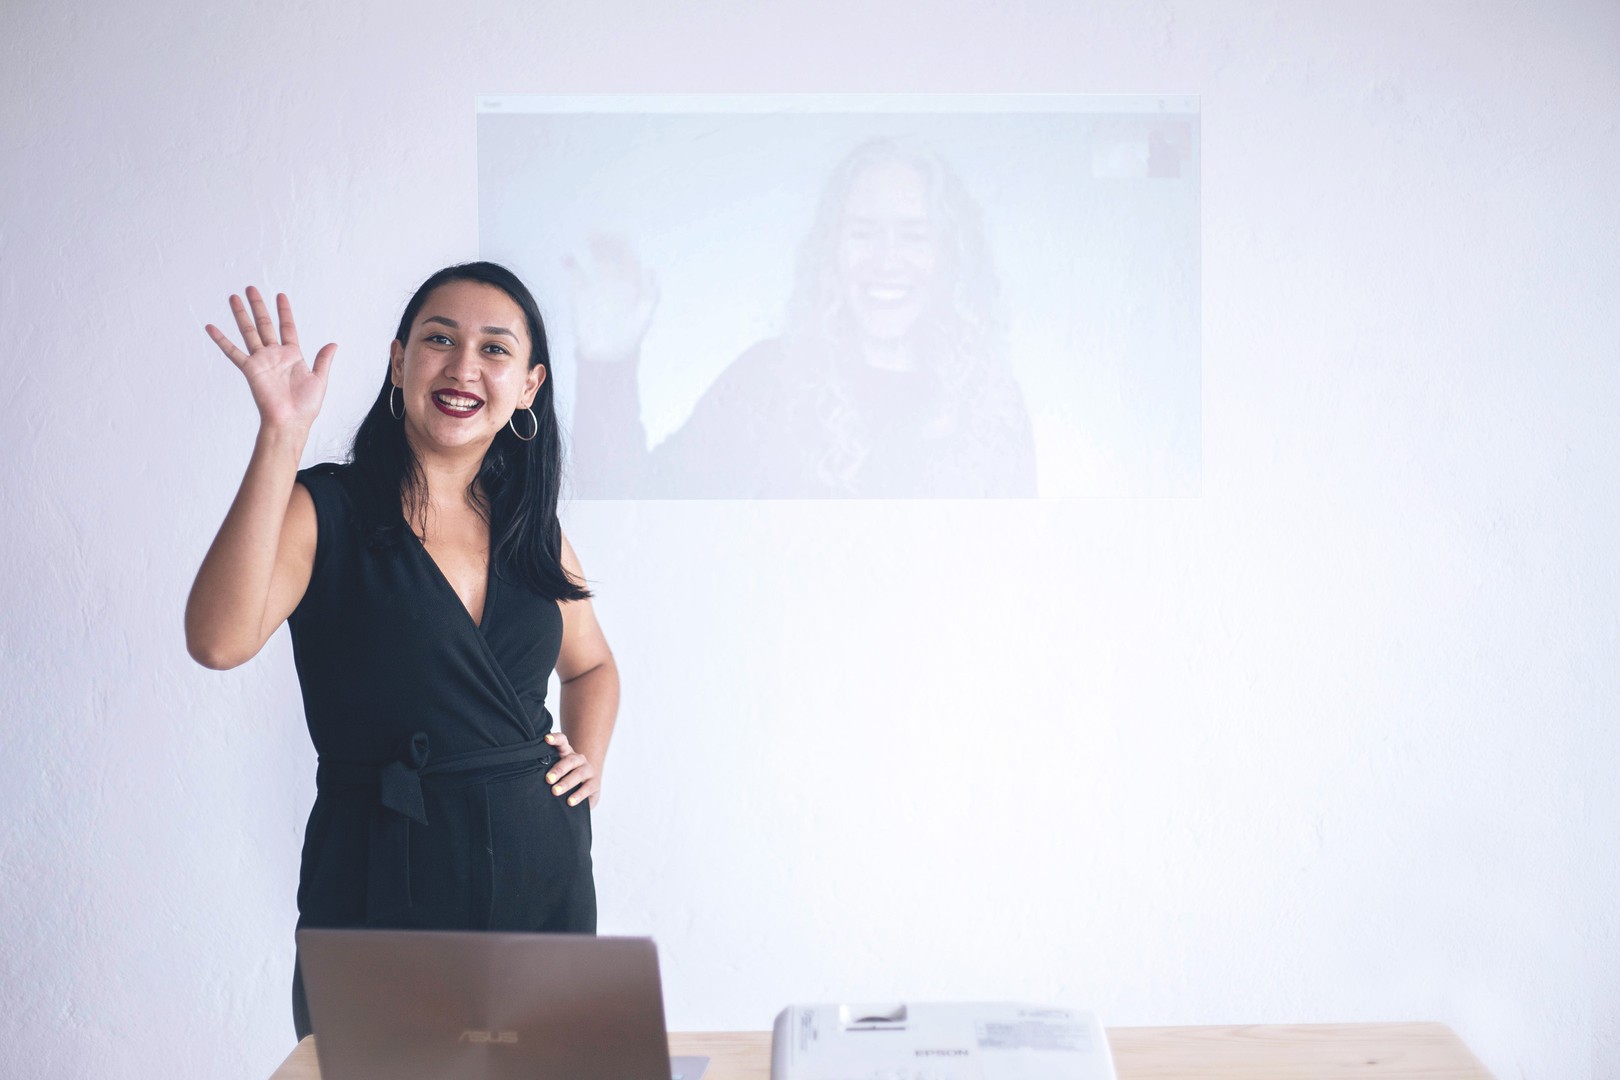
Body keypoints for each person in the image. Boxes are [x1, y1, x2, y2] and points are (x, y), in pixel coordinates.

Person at [184, 263, 618, 1040]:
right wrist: (281, 436)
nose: (462, 367)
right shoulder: (327, 508)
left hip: (542, 883)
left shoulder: (534, 532)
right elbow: (217, 641)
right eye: (439, 340)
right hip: (382, 881)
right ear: (398, 362)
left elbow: (591, 665)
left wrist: (587, 758)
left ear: (528, 387)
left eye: (494, 350)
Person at [568, 135, 1038, 499]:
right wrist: (609, 360)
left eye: (914, 236)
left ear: (949, 257)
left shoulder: (990, 404)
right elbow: (636, 508)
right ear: (831, 250)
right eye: (863, 233)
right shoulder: (767, 382)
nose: (886, 259)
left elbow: (1018, 576)